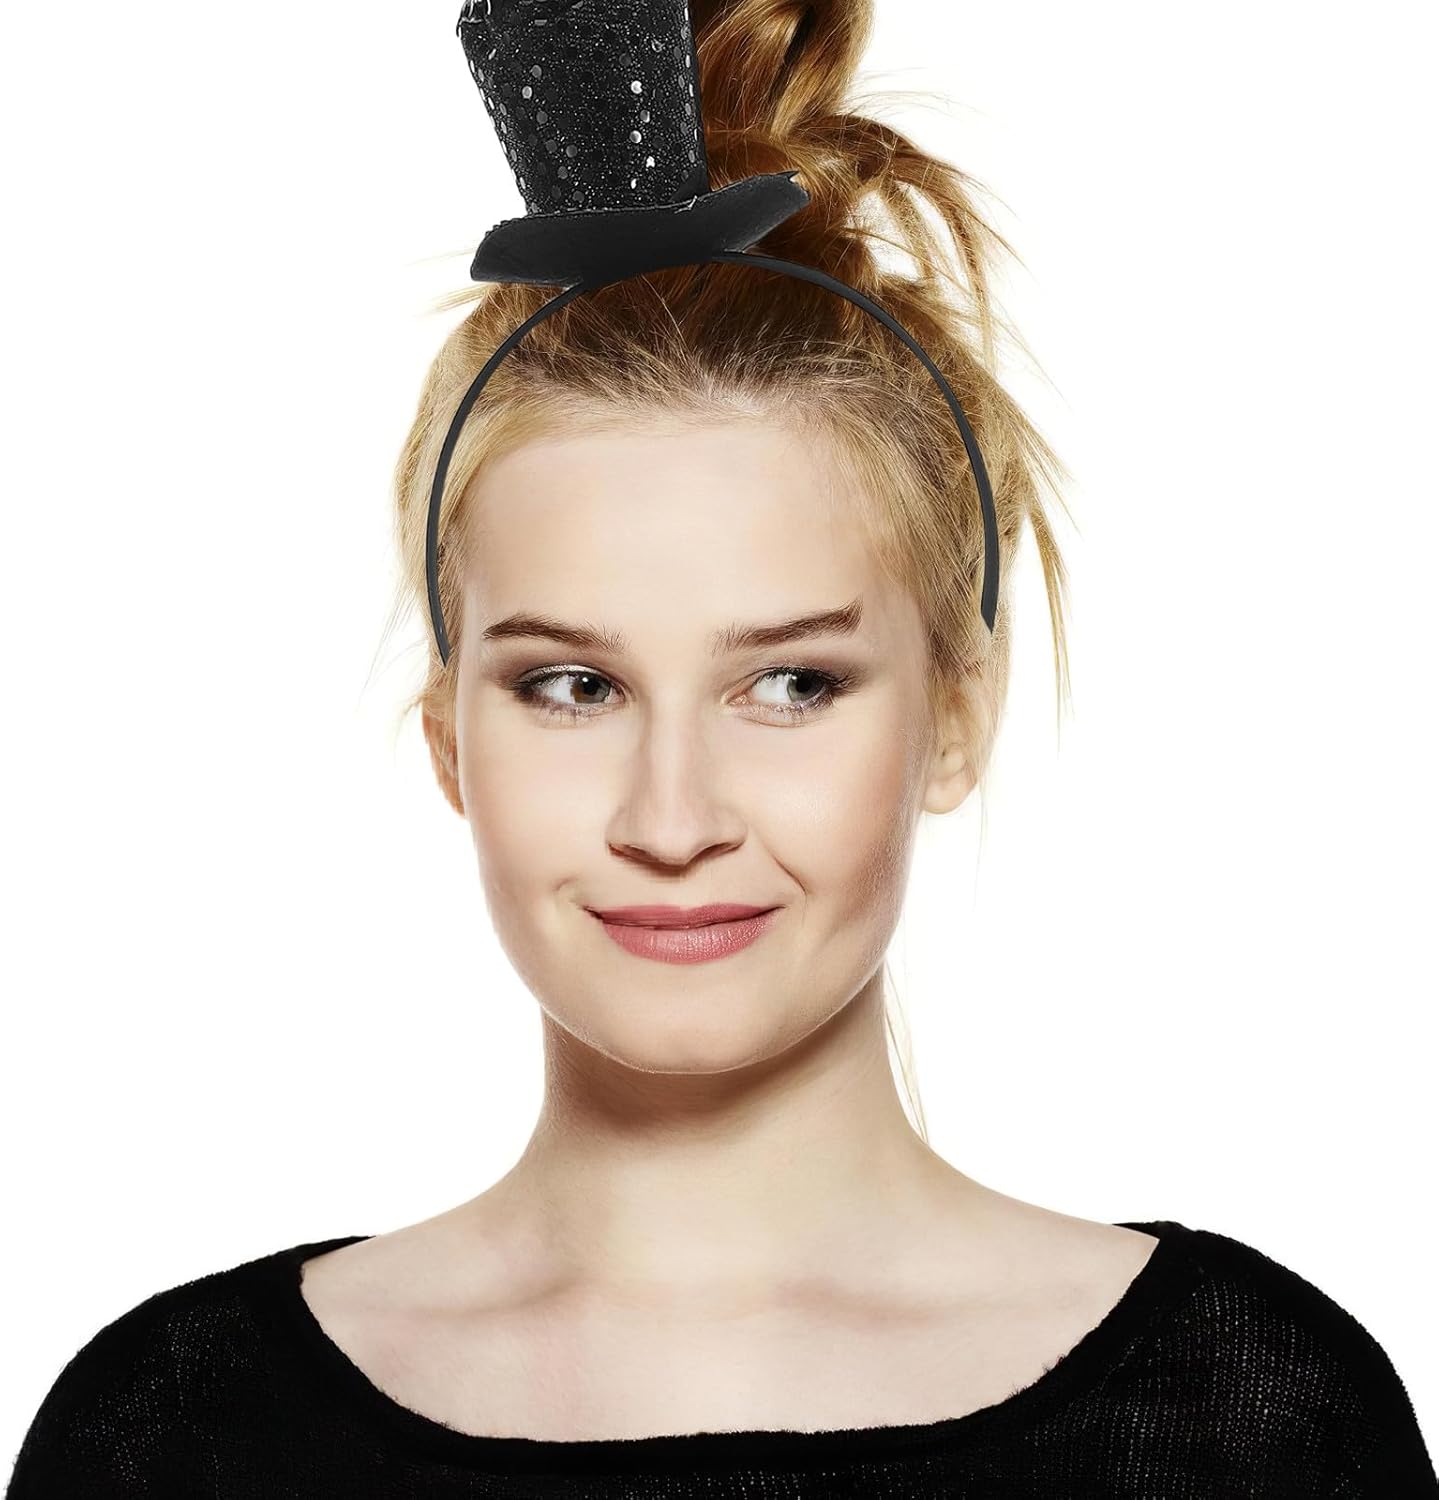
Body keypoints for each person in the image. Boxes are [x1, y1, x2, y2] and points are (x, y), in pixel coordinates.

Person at [8, 0, 1435, 1495]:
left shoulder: (1254, 1424)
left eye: (793, 684)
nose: (673, 816)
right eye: (572, 686)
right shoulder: (172, 1436)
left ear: (956, 715)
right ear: (448, 740)